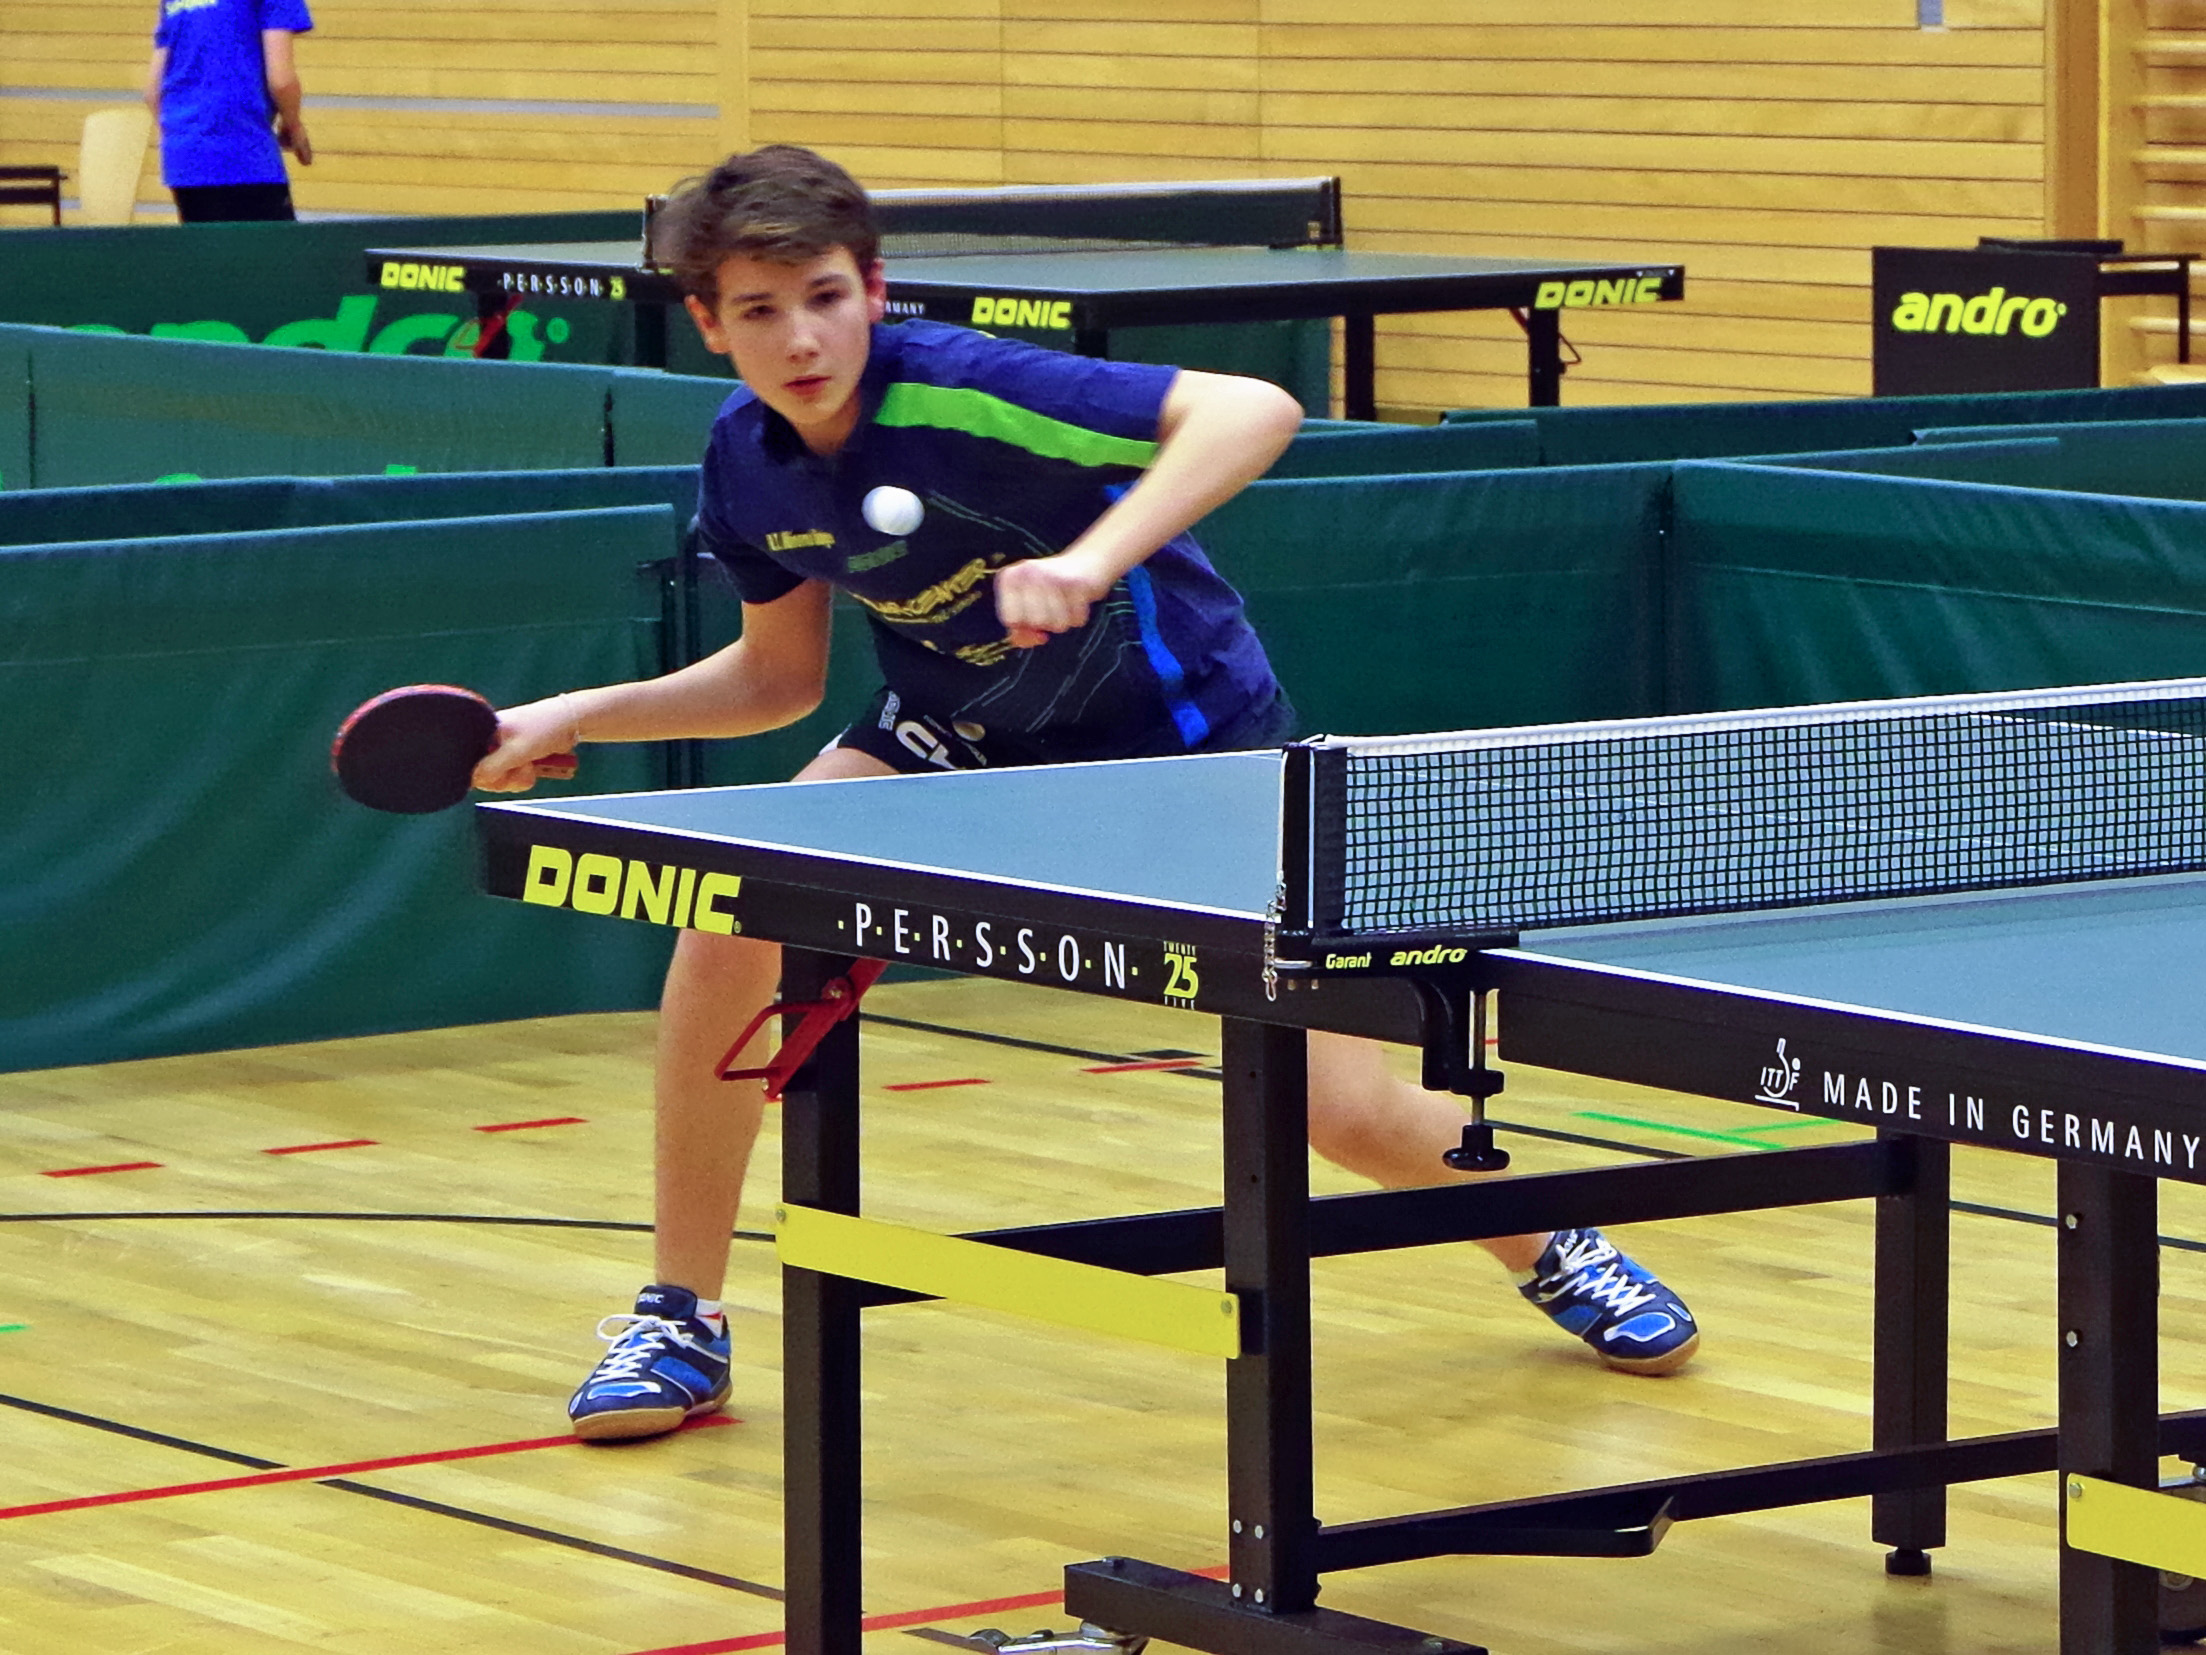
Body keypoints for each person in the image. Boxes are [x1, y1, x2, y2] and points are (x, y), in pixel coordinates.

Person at [473, 146, 1701, 1442]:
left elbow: (1252, 409)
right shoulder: (746, 461)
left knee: (1339, 1110)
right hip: (956, 737)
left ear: (872, 289)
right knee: (727, 923)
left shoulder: (971, 389)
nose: (801, 338)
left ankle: (1551, 1238)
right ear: (710, 321)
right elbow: (776, 678)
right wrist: (575, 714)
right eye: (761, 310)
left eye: (824, 297)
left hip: (1181, 748)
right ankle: (680, 1315)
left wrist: (1092, 557)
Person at [144, 0, 314, 224]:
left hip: (184, 158)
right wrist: (294, 124)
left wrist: (186, 140)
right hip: (243, 149)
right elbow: (281, 81)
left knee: (208, 246)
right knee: (273, 247)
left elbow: (153, 92)